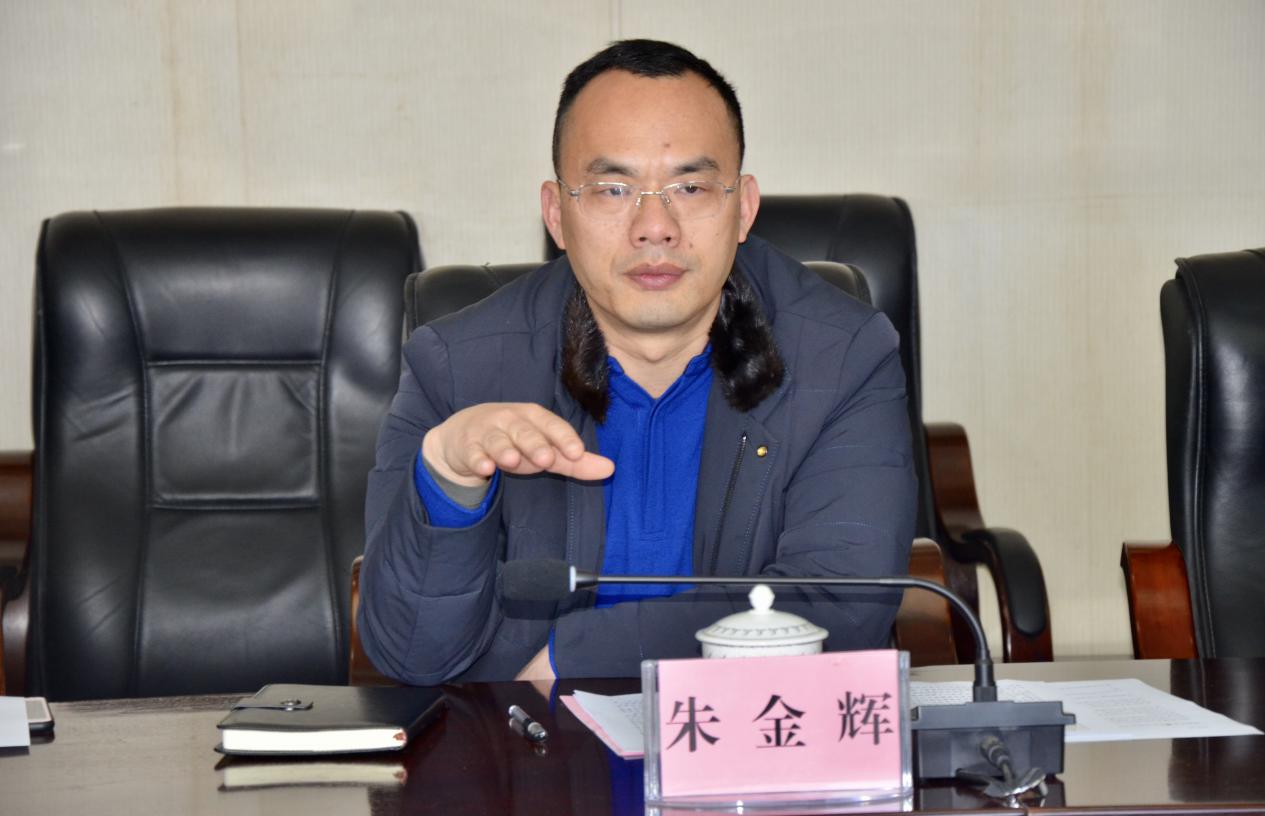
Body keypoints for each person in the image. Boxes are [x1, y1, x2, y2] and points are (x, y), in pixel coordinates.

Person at [359, 39, 916, 685]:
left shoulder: (840, 356)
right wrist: (451, 482)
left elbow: (838, 607)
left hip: (748, 733)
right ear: (556, 215)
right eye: (612, 189)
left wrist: (579, 656)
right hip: (523, 741)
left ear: (743, 208)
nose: (655, 226)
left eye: (691, 186)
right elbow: (410, 657)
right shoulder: (459, 366)